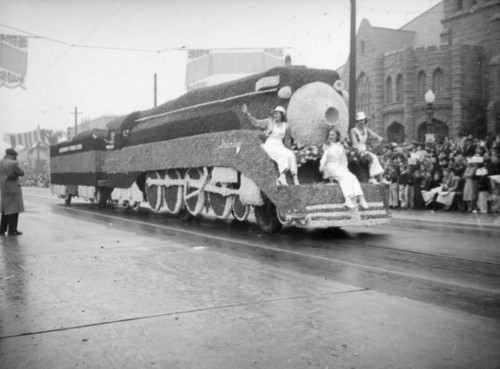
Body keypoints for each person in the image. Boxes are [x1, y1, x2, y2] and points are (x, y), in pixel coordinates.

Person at [242, 103, 299, 185]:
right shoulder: (269, 121)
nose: (275, 115)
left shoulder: (286, 126)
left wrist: (289, 149)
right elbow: (256, 122)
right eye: (274, 113)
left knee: (291, 155)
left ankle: (295, 177)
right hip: (270, 145)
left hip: (280, 145)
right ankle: (282, 177)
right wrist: (247, 114)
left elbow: (287, 140)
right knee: (282, 155)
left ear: (282, 115)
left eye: (277, 113)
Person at [319, 129, 368, 209]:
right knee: (345, 177)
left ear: (337, 136)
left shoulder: (341, 147)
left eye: (333, 135)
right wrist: (321, 166)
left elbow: (344, 161)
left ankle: (361, 198)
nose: (331, 137)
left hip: (340, 167)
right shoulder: (326, 146)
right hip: (330, 167)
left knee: (352, 176)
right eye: (330, 135)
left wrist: (345, 169)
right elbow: (323, 159)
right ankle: (348, 198)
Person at [350, 111, 389, 184]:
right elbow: (355, 144)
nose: (362, 122)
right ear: (357, 121)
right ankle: (373, 178)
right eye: (360, 121)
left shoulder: (366, 129)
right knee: (372, 157)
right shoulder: (353, 130)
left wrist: (380, 141)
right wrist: (361, 151)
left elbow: (375, 136)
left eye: (363, 120)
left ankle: (380, 178)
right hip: (357, 151)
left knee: (375, 157)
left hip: (365, 149)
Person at [0, 148, 25, 236]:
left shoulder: (1, 162)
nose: (15, 157)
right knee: (14, 210)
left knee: (5, 209)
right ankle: (12, 230)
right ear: (11, 155)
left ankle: (2, 229)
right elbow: (21, 173)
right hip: (13, 188)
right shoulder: (13, 163)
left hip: (4, 188)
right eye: (15, 155)